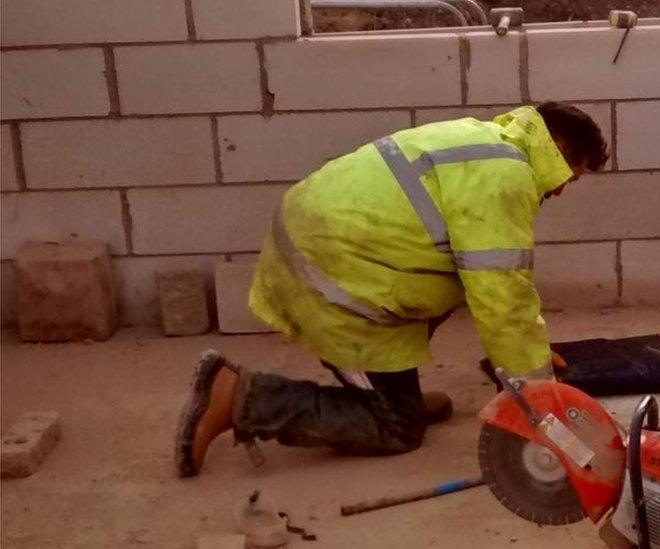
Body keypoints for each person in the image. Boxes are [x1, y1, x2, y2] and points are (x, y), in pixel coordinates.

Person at [175, 102, 608, 477]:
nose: (564, 189)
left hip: (337, 249)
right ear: (559, 153)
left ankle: (397, 392)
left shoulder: (486, 143)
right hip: (335, 276)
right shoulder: (506, 179)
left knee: (455, 281)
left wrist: (529, 352)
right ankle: (241, 397)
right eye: (573, 175)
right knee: (397, 429)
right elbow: (503, 300)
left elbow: (495, 289)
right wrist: (536, 392)